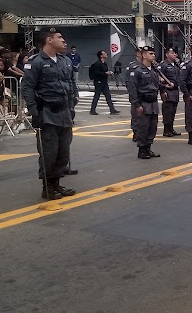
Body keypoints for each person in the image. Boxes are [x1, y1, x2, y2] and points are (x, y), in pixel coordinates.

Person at [21, 28, 78, 200]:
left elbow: (70, 82)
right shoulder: (36, 61)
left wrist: (73, 99)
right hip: (46, 112)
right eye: (60, 37)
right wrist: (34, 111)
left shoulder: (65, 61)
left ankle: (57, 183)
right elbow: (27, 87)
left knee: (63, 151)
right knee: (49, 151)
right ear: (49, 40)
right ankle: (47, 187)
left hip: (64, 112)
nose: (64, 41)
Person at [127, 46, 161, 158]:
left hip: (153, 103)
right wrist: (136, 104)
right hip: (143, 103)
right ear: (144, 55)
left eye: (154, 54)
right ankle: (142, 150)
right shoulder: (137, 70)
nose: (153, 56)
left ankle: (148, 148)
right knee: (143, 127)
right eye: (150, 53)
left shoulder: (154, 70)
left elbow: (156, 85)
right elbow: (132, 89)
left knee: (152, 127)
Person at [158, 47, 182, 136]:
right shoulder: (163, 65)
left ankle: (171, 129)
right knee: (167, 112)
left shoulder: (176, 65)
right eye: (172, 53)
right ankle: (166, 130)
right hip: (167, 90)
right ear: (167, 54)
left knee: (173, 112)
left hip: (175, 91)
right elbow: (159, 79)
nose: (174, 55)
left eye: (175, 53)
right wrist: (162, 91)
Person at [88, 50, 120, 116]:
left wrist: (108, 73)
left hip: (104, 82)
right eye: (104, 53)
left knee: (108, 96)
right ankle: (92, 110)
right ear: (101, 55)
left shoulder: (104, 63)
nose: (106, 54)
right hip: (99, 82)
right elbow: (97, 73)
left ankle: (112, 109)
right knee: (97, 96)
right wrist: (105, 73)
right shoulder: (97, 63)